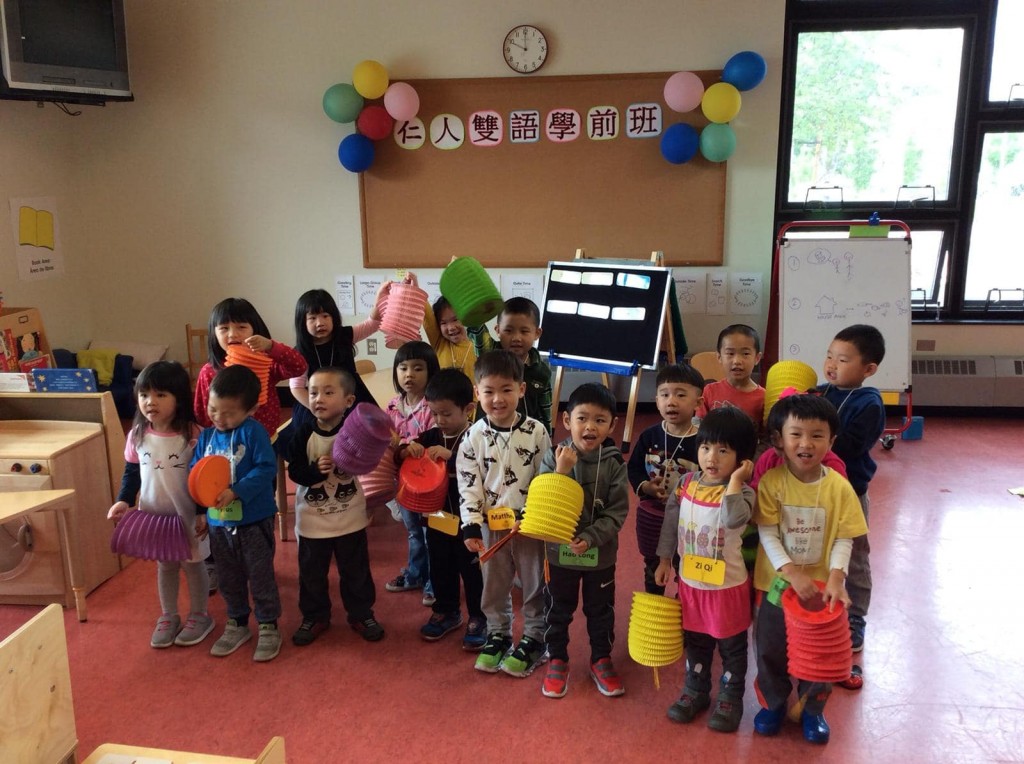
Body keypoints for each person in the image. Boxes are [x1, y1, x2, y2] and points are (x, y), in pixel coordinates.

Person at [751, 394, 868, 744]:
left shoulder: (840, 488)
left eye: (817, 435)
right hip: (775, 586)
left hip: (820, 593)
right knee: (770, 647)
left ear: (831, 442)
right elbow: (767, 533)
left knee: (820, 653)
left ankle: (812, 709)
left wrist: (836, 577)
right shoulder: (772, 483)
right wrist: (791, 572)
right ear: (779, 440)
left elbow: (844, 538)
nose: (806, 443)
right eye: (796, 434)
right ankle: (772, 702)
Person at [654, 407, 757, 732]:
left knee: (731, 648)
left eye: (723, 450)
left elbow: (732, 520)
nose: (711, 457)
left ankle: (730, 697)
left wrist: (736, 481)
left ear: (741, 459)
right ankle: (695, 690)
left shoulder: (742, 493)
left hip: (727, 589)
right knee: (696, 642)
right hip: (691, 585)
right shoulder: (686, 484)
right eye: (705, 447)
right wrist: (664, 559)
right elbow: (672, 520)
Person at [458, 350, 551, 676]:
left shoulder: (537, 431)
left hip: (529, 525)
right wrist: (471, 525)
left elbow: (545, 477)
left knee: (533, 582)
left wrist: (535, 514)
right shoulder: (472, 437)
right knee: (494, 585)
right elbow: (468, 484)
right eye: (489, 391)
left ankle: (535, 637)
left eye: (507, 390)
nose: (498, 399)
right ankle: (498, 635)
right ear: (477, 392)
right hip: (490, 525)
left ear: (521, 390)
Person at [107, 361, 213, 648]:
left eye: (160, 395)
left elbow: (205, 479)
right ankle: (168, 615)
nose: (150, 402)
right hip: (154, 516)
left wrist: (204, 513)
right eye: (144, 395)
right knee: (165, 565)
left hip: (187, 516)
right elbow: (131, 472)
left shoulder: (193, 435)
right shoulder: (138, 434)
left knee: (193, 565)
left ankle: (200, 614)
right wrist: (123, 501)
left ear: (179, 398)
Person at [539, 383, 630, 699]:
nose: (590, 426)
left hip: (599, 556)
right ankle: (557, 658)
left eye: (600, 420)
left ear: (611, 425)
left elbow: (617, 513)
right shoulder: (554, 458)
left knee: (600, 609)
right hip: (558, 553)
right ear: (566, 420)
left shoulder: (615, 463)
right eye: (582, 418)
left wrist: (591, 538)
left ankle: (601, 659)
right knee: (557, 608)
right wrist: (562, 471)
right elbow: (545, 505)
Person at [286, 368, 384, 646]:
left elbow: (370, 462)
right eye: (314, 392)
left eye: (329, 392)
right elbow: (294, 470)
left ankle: (361, 613)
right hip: (312, 521)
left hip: (350, 518)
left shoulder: (355, 432)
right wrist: (314, 470)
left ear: (349, 400)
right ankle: (315, 616)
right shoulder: (303, 430)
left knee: (356, 571)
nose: (319, 398)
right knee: (311, 574)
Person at [192, 365, 282, 661]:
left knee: (260, 575)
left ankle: (268, 624)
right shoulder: (206, 438)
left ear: (252, 409)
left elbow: (266, 469)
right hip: (219, 524)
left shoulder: (253, 432)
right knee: (228, 576)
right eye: (213, 409)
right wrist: (200, 511)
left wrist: (237, 490)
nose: (219, 418)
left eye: (229, 413)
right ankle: (237, 622)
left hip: (253, 522)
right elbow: (197, 475)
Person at [396, 369, 484, 648]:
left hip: (469, 521)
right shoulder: (431, 436)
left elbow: (486, 469)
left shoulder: (477, 437)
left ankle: (480, 617)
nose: (439, 420)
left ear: (468, 409)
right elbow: (404, 460)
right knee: (441, 565)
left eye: (446, 413)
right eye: (434, 413)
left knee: (472, 571)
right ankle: (446, 610)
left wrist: (454, 457)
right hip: (436, 517)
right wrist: (405, 451)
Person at [817, 324, 885, 654]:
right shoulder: (822, 392)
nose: (831, 364)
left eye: (842, 360)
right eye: (829, 356)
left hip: (850, 493)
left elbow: (848, 447)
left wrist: (810, 430)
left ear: (868, 369)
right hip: (814, 491)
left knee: (855, 555)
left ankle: (856, 615)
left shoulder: (869, 404)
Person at [627, 363, 704, 594]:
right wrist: (646, 487)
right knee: (652, 563)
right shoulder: (650, 435)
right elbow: (634, 468)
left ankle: (686, 604)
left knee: (686, 563)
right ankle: (653, 601)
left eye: (681, 395)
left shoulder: (703, 441)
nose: (671, 401)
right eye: (665, 394)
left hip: (688, 518)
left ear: (698, 403)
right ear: (657, 400)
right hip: (652, 515)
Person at [193, 297, 307, 441]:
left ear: (255, 330)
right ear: (214, 334)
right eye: (224, 328)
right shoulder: (209, 371)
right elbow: (201, 411)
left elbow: (298, 366)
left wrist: (271, 346)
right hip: (226, 441)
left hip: (265, 435)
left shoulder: (265, 363)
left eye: (241, 327)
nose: (232, 334)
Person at [383, 340, 440, 606]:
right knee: (413, 531)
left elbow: (434, 442)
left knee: (432, 533)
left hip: (430, 486)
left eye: (418, 368)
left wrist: (410, 447)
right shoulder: (393, 406)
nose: (409, 374)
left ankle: (434, 582)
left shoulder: (433, 407)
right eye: (403, 368)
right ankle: (416, 574)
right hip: (403, 483)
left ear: (431, 372)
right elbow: (386, 441)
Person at [287, 285, 389, 433]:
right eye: (312, 318)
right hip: (318, 402)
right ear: (302, 323)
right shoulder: (300, 352)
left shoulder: (345, 335)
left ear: (334, 317)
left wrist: (380, 297)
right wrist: (316, 406)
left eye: (325, 316)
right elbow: (296, 387)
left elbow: (372, 323)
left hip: (351, 398)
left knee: (369, 432)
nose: (320, 323)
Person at [468, 297, 552, 434]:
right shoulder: (490, 355)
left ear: (537, 333)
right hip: (488, 436)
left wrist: (547, 441)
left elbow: (545, 412)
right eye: (508, 330)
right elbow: (477, 331)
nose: (516, 338)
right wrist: (479, 308)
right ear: (498, 330)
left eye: (524, 331)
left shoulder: (541, 372)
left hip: (525, 440)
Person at [406, 272, 477, 384]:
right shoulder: (439, 343)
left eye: (455, 319)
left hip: (472, 401)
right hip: (442, 401)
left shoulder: (477, 346)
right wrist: (415, 288)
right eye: (444, 323)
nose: (451, 327)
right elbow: (427, 315)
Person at [696, 324, 765, 428]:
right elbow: (698, 427)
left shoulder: (763, 397)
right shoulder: (709, 391)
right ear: (719, 357)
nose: (737, 361)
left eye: (745, 354)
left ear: (757, 358)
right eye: (730, 353)